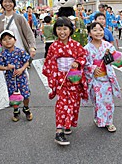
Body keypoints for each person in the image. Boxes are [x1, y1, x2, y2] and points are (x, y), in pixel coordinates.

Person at [42, 17, 88, 146]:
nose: (62, 32)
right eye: (59, 29)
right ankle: (59, 131)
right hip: (60, 78)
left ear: (70, 30)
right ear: (55, 30)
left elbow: (83, 55)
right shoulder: (53, 46)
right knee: (62, 103)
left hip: (74, 78)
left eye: (65, 29)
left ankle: (68, 124)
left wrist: (77, 62)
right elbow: (49, 63)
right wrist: (54, 78)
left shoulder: (76, 45)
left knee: (73, 102)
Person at [84, 22, 121, 132]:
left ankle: (109, 122)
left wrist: (112, 58)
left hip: (106, 78)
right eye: (94, 30)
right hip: (95, 79)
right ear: (90, 33)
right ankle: (99, 119)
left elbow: (117, 60)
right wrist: (92, 67)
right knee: (97, 101)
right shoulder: (86, 48)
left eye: (100, 30)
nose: (98, 32)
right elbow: (84, 64)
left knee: (108, 101)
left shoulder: (108, 46)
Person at [0, 30, 32, 122]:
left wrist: (22, 69)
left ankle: (26, 108)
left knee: (26, 94)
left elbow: (27, 61)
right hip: (10, 79)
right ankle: (16, 110)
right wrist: (7, 67)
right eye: (4, 39)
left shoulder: (20, 51)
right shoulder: (1, 54)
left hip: (22, 78)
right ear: (1, 42)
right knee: (13, 96)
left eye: (10, 38)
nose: (7, 41)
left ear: (15, 40)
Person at [0, 0, 36, 66]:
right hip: (6, 54)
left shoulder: (20, 18)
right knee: (9, 76)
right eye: (5, 1)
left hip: (20, 52)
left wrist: (32, 47)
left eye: (10, 1)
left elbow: (29, 33)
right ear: (2, 3)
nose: (7, 4)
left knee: (23, 75)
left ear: (13, 3)